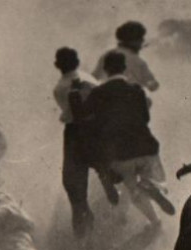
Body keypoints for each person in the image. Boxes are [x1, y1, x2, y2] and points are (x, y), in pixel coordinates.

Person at [78, 50, 175, 226]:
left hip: (119, 154)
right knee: (153, 175)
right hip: (146, 148)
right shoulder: (137, 90)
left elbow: (87, 121)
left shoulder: (97, 94)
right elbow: (145, 118)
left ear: (106, 70)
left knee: (133, 190)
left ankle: (154, 221)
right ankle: (152, 185)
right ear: (124, 69)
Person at [53, 46, 105, 237]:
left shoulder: (60, 88)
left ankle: (82, 221)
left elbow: (69, 113)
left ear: (58, 65)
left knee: (72, 182)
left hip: (76, 133)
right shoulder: (91, 80)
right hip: (97, 130)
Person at [93, 21, 159, 90]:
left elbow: (95, 77)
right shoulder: (138, 61)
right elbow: (151, 84)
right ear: (133, 41)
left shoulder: (107, 55)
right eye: (140, 39)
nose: (142, 41)